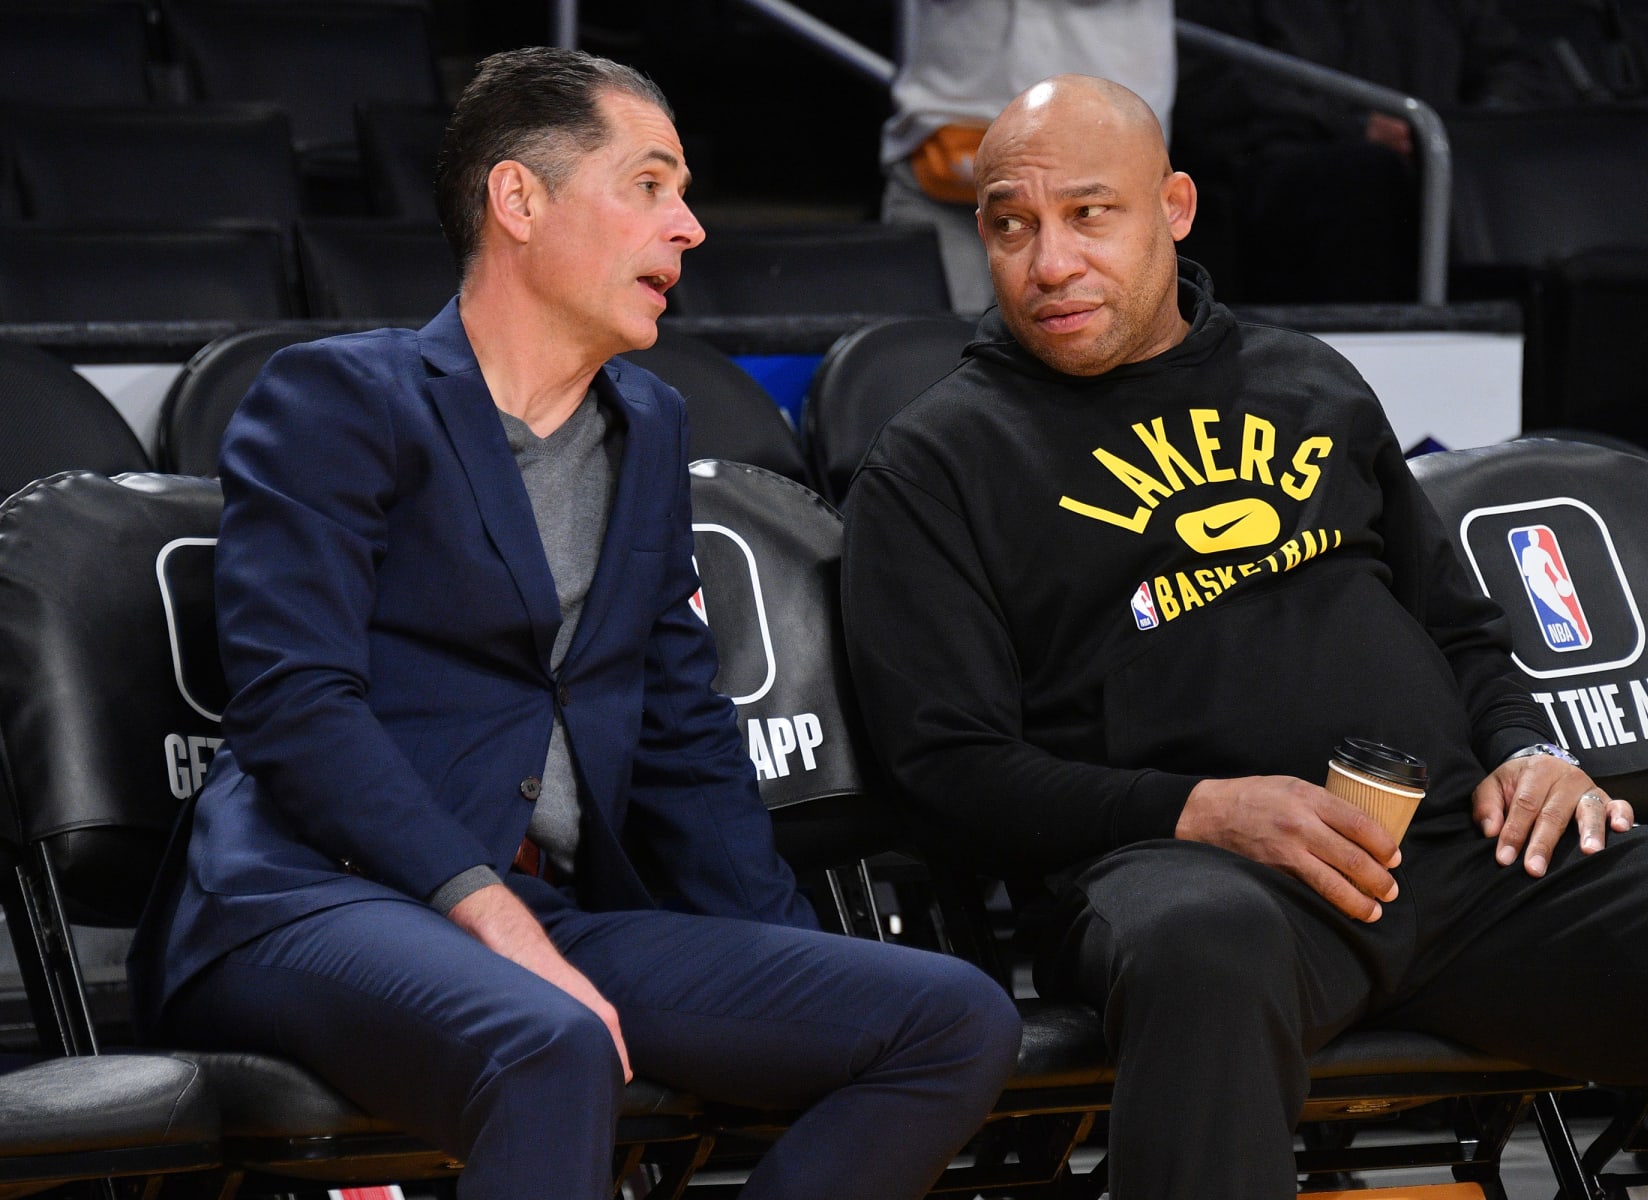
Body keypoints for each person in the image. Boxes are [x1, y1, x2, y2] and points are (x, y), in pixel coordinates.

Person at [842, 73, 1648, 1197]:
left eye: (1089, 214)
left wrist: (1526, 750)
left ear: (1176, 207)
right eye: (1012, 225)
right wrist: (1199, 810)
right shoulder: (936, 462)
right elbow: (945, 774)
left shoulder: (1310, 382)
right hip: (1192, 879)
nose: (1049, 263)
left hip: (1456, 860)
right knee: (1203, 949)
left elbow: (1463, 628)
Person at [127, 47, 1019, 1199]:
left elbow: (685, 743)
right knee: (546, 1040)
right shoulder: (338, 397)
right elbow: (298, 706)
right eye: (650, 185)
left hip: (547, 911)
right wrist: (493, 917)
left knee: (948, 1019)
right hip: (307, 899)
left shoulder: (648, 424)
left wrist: (792, 964)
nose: (689, 227)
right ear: (519, 199)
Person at [1173, 0, 1556, 301]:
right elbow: (1213, 83)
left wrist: (1462, 130)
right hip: (1286, 174)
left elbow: (1515, 67)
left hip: (1440, 168)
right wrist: (1355, 124)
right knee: (1361, 179)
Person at [881, 0, 1175, 313]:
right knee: (922, 351)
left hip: (1114, 151)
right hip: (938, 157)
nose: (1051, 269)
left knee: (1109, 342)